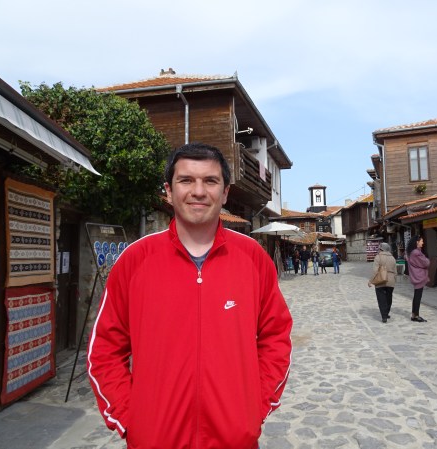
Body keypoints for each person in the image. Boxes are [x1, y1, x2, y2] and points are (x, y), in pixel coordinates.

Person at [87, 143, 293, 449]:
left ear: (225, 193)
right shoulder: (135, 261)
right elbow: (104, 350)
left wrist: (254, 408)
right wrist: (132, 418)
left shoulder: (253, 258)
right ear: (169, 192)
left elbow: (276, 338)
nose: (198, 191)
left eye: (210, 181)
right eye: (186, 180)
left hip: (235, 441)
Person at [368, 242, 397, 322]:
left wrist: (370, 281)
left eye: (379, 249)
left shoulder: (378, 257)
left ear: (381, 249)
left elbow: (375, 271)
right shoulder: (392, 258)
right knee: (389, 298)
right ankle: (386, 313)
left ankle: (384, 316)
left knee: (381, 299)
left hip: (380, 280)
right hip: (391, 281)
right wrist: (395, 280)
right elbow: (395, 272)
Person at [406, 235, 430, 322]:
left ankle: (414, 314)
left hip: (416, 276)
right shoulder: (416, 253)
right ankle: (416, 315)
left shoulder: (412, 252)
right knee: (417, 297)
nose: (423, 243)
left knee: (417, 296)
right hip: (419, 276)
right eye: (421, 241)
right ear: (417, 242)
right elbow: (426, 263)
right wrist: (427, 259)